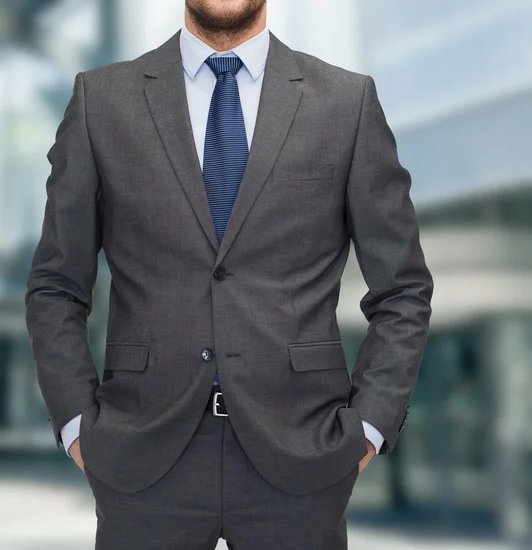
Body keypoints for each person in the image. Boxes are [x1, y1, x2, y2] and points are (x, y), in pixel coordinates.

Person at [25, 1, 434, 548]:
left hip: (302, 457)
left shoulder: (346, 102)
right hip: (142, 456)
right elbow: (56, 284)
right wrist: (78, 426)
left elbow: (402, 289)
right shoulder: (102, 100)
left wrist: (368, 428)